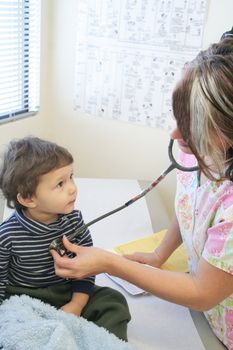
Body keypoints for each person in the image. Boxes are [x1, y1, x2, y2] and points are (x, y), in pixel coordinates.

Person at [51, 36, 233, 350]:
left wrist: (110, 263)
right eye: (177, 117)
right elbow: (190, 209)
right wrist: (158, 255)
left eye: (190, 124)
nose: (175, 133)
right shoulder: (195, 154)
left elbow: (203, 293)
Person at [0, 136, 131, 341]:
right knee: (11, 322)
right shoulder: (7, 236)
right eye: (60, 184)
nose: (72, 188)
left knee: (113, 302)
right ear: (28, 198)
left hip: (66, 291)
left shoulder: (74, 222)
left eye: (71, 177)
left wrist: (76, 304)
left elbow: (86, 270)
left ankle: (104, 344)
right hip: (23, 298)